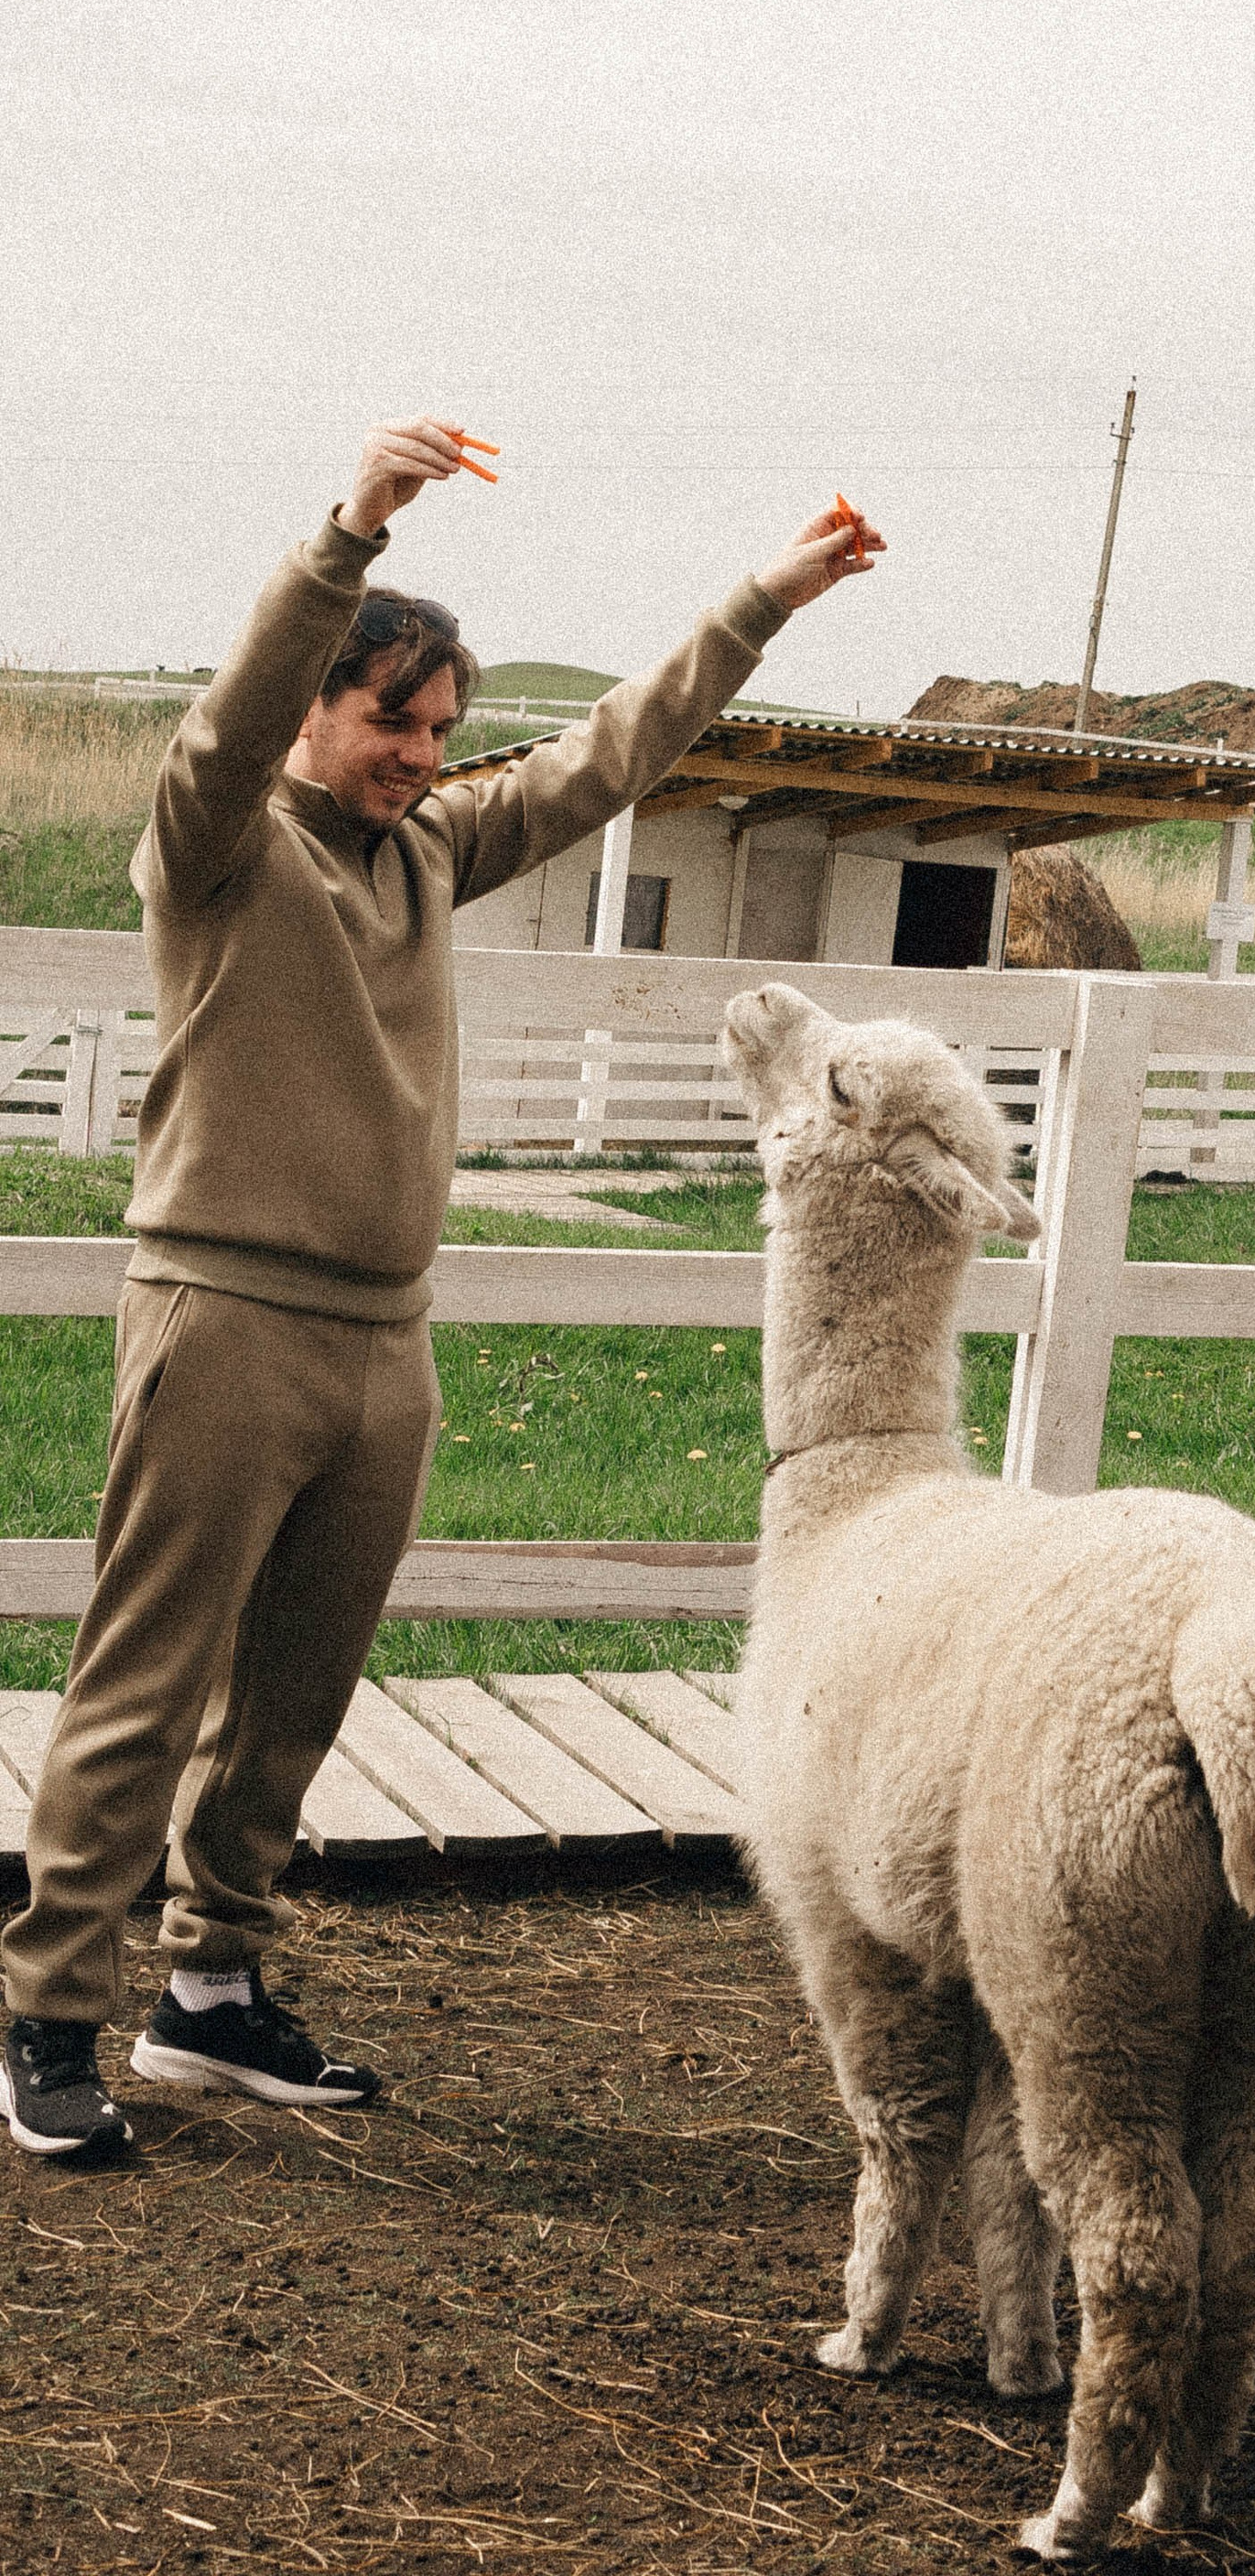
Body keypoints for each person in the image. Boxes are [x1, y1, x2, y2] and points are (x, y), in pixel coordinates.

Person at [0, 417, 882, 2159]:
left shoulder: (431, 852)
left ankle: (208, 1997)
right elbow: (222, 722)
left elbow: (611, 759)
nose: (415, 753)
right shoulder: (222, 847)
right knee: (145, 1682)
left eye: (436, 730)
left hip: (380, 1343)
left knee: (297, 1697)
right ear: (319, 713)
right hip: (223, 1322)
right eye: (388, 717)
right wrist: (348, 530)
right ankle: (44, 2017)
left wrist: (762, 601)